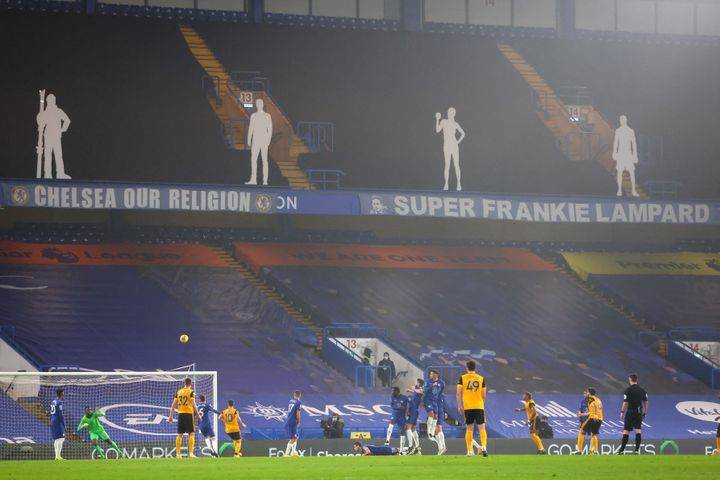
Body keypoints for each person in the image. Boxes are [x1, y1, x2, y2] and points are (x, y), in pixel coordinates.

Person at [456, 360, 488, 457]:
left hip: (468, 407)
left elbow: (458, 393)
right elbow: (484, 395)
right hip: (479, 406)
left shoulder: (462, 378)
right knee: (482, 428)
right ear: (475, 368)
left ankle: (469, 451)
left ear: (467, 368)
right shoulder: (481, 378)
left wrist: (459, 405)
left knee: (469, 429)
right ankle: (484, 447)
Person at [36, 93, 71, 180]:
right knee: (48, 155)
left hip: (56, 136)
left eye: (52, 100)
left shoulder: (58, 111)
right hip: (48, 136)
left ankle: (60, 174)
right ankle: (47, 174)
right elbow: (41, 122)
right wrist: (40, 116)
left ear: (54, 101)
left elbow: (67, 120)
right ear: (48, 102)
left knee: (58, 155)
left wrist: (63, 129)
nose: (51, 102)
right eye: (50, 100)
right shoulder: (46, 112)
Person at [168, 377, 200, 458]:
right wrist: (198, 415)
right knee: (191, 433)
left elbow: (172, 406)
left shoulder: (178, 392)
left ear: (184, 383)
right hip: (189, 414)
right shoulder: (191, 392)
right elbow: (193, 404)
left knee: (179, 434)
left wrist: (171, 416)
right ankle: (191, 454)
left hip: (181, 415)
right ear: (191, 384)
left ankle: (178, 454)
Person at [435, 107, 466, 191]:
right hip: (447, 146)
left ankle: (459, 183)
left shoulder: (455, 124)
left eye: (451, 112)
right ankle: (446, 184)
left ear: (454, 114)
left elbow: (463, 133)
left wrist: (457, 142)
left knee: (456, 164)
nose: (449, 113)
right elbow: (438, 130)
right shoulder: (444, 121)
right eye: (449, 112)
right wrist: (437, 119)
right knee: (447, 165)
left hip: (454, 146)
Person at [618, 374, 648, 455]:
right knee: (638, 431)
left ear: (630, 380)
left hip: (630, 412)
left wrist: (622, 412)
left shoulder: (628, 390)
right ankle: (637, 450)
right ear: (636, 380)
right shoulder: (642, 390)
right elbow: (646, 402)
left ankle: (621, 450)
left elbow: (625, 403)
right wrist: (645, 412)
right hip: (638, 413)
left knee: (626, 431)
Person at [246, 98, 272, 186]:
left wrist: (268, 140)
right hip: (256, 139)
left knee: (264, 160)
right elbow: (251, 128)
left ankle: (265, 180)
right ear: (256, 105)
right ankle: (253, 179)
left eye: (260, 103)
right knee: (254, 159)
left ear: (262, 105)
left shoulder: (267, 115)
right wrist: (249, 138)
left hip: (263, 139)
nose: (259, 105)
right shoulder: (253, 116)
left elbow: (270, 129)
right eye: (257, 103)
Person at [612, 115, 639, 197]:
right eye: (620, 119)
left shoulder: (631, 131)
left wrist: (635, 155)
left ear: (626, 120)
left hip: (628, 154)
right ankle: (619, 190)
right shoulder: (618, 131)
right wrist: (614, 152)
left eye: (623, 119)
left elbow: (634, 143)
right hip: (620, 154)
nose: (622, 121)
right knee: (619, 172)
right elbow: (616, 142)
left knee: (631, 172)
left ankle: (634, 190)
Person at [575, 387, 603, 455]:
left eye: (587, 392)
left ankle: (579, 450)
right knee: (593, 434)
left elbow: (595, 407)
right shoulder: (598, 399)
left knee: (581, 431)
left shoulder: (591, 398)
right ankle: (596, 451)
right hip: (600, 419)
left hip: (593, 418)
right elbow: (593, 410)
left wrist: (595, 414)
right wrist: (582, 414)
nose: (586, 393)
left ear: (589, 393)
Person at [404, 379, 424, 455]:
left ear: (418, 383)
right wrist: (411, 390)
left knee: (408, 427)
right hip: (415, 410)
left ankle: (410, 446)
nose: (415, 383)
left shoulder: (420, 389)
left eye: (416, 382)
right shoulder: (416, 391)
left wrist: (413, 388)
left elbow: (420, 391)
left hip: (413, 410)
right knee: (413, 429)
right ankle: (417, 447)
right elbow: (416, 392)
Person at [284, 390, 302, 456]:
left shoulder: (291, 401)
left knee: (296, 437)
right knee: (293, 439)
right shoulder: (299, 402)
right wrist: (298, 421)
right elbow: (298, 413)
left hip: (289, 420)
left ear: (294, 395)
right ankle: (286, 454)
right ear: (300, 395)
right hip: (293, 422)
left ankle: (293, 452)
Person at [50, 389, 65, 460]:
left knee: (56, 439)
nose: (64, 395)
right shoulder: (59, 403)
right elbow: (60, 415)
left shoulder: (53, 401)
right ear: (61, 394)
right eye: (63, 394)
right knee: (61, 438)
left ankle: (56, 456)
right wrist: (64, 424)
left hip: (53, 420)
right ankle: (58, 456)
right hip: (58, 421)